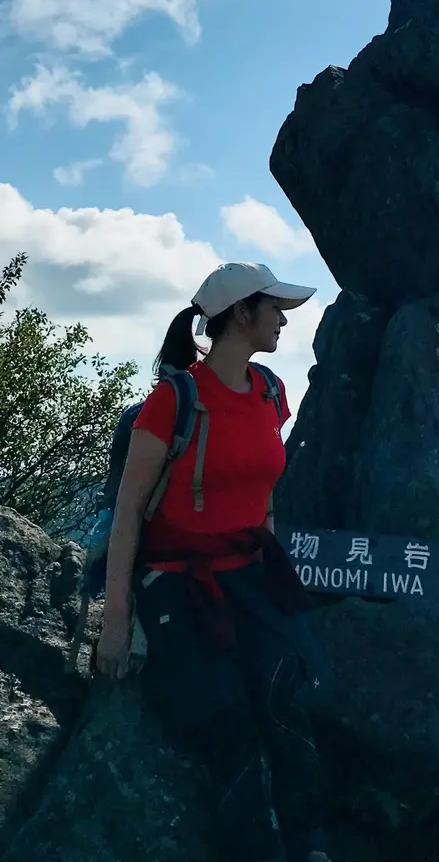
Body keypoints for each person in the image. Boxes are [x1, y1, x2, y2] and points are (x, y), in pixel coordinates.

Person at [96, 261, 332, 862]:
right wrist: (116, 620)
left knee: (283, 697)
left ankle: (310, 845)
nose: (282, 320)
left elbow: (262, 489)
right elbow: (128, 515)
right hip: (178, 583)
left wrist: (270, 557)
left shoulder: (271, 393)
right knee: (227, 722)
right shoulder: (172, 402)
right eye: (273, 308)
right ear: (241, 315)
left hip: (249, 575)